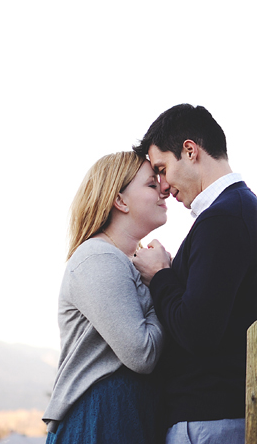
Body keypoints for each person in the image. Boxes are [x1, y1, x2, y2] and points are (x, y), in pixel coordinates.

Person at [131, 104, 257, 444]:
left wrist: (161, 275)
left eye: (162, 169)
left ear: (190, 150)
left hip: (208, 424)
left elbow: (197, 331)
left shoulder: (223, 218)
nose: (164, 187)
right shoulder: (239, 210)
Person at [43, 151, 168, 444]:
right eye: (151, 184)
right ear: (120, 200)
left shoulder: (127, 261)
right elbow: (143, 354)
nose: (164, 188)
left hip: (129, 416)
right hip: (100, 418)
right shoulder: (98, 256)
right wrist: (162, 281)